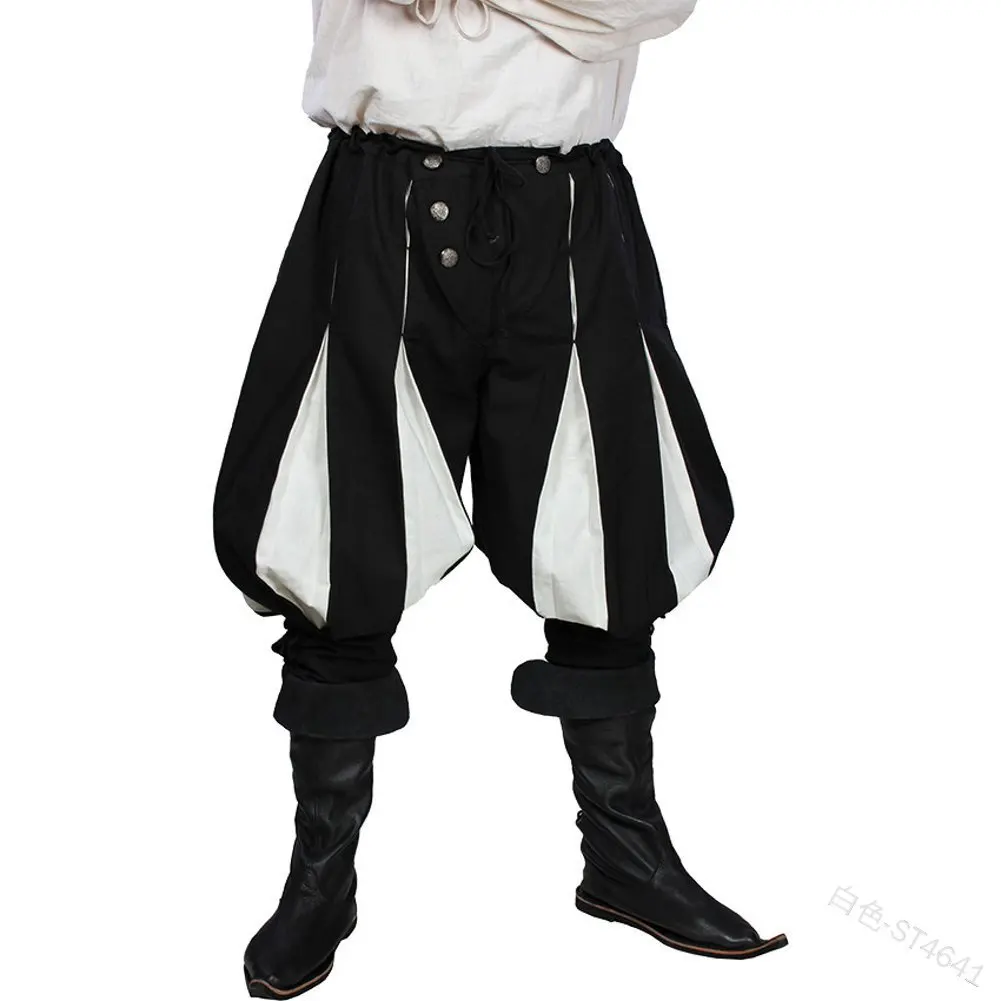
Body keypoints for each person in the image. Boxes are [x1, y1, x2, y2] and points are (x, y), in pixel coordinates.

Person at [213, 0, 787, 995]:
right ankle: (320, 881)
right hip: (380, 200)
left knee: (611, 531)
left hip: (567, 205)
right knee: (336, 533)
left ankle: (625, 856)